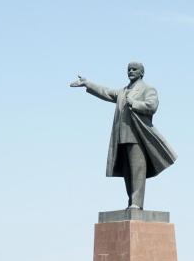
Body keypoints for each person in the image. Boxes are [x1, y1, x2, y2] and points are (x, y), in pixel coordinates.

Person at [70, 62, 177, 209]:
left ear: (141, 73)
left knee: (138, 171)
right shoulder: (123, 91)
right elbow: (106, 91)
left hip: (138, 137)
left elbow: (152, 106)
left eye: (134, 69)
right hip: (122, 138)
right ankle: (131, 202)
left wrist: (135, 103)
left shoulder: (147, 89)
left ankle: (136, 203)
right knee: (127, 174)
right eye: (129, 69)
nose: (131, 71)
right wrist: (87, 83)